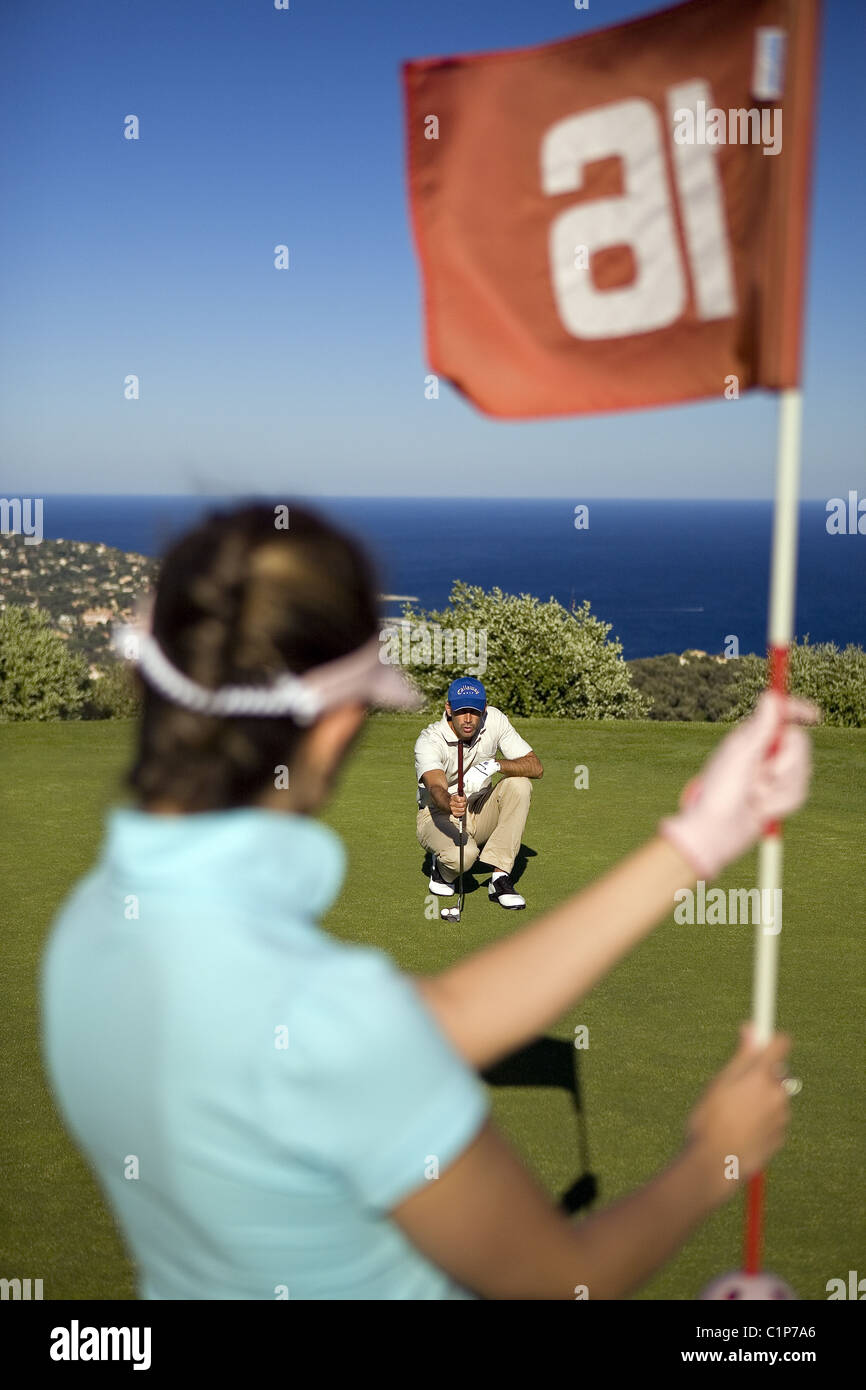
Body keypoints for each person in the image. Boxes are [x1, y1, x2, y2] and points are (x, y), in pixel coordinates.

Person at [40, 501, 817, 1300]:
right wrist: (712, 1160)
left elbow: (429, 1017)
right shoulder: (332, 1022)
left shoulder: (85, 925)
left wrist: (699, 841)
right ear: (340, 726)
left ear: (145, 676)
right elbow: (563, 1280)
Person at [414, 677, 543, 910]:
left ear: (483, 709)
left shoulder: (495, 720)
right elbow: (435, 788)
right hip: (438, 814)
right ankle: (442, 871)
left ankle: (500, 878)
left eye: (473, 711)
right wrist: (450, 802)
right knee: (464, 856)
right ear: (448, 708)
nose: (467, 719)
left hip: (480, 808)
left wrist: (496, 765)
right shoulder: (429, 739)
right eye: (461, 711)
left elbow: (536, 767)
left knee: (520, 784)